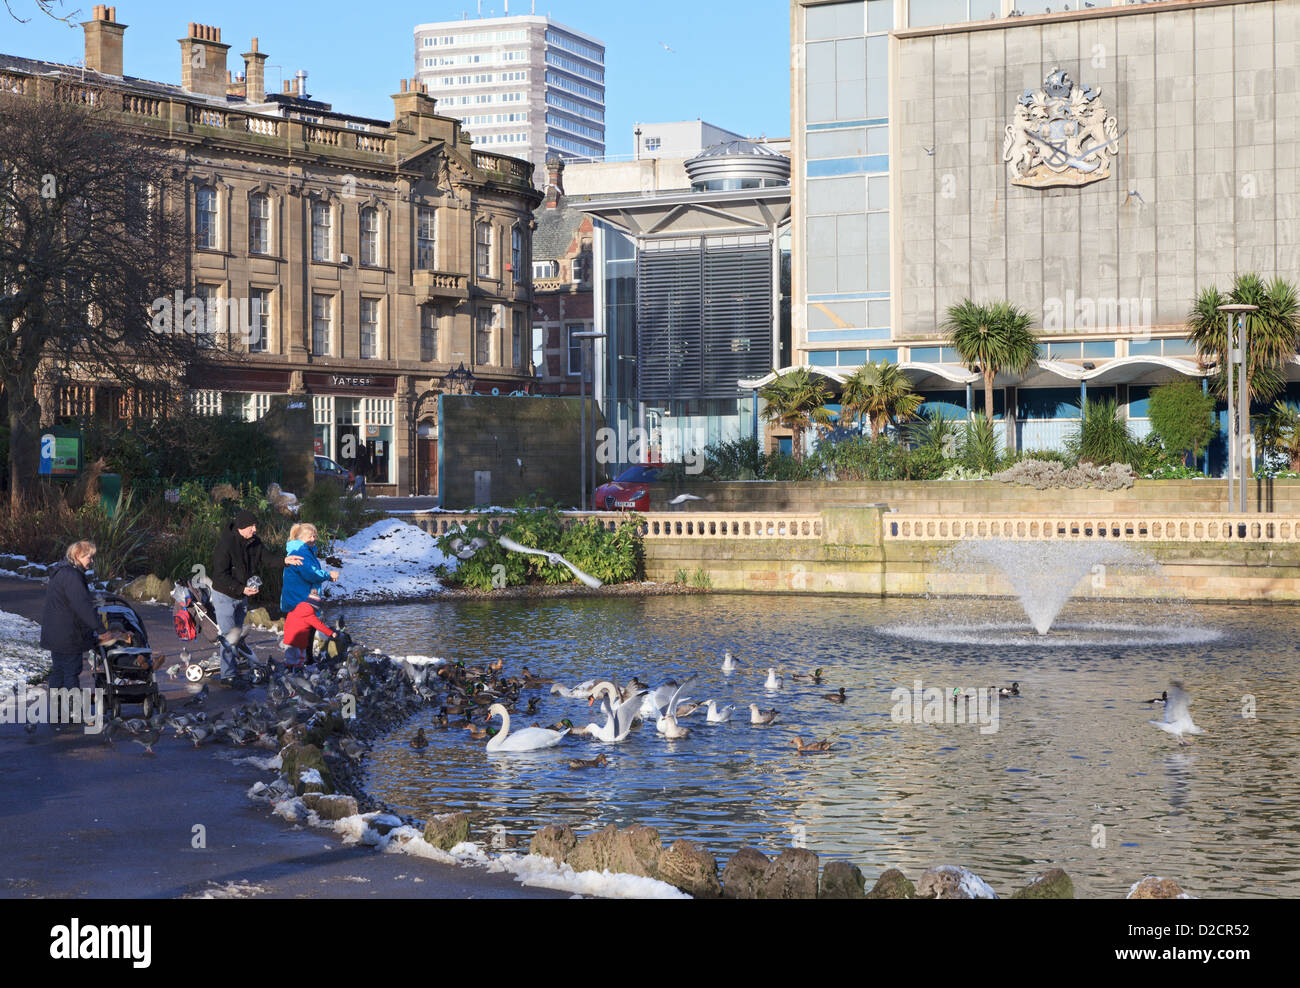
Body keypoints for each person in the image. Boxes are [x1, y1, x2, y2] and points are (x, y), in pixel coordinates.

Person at [210, 510, 302, 688]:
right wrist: (241, 588)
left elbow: (267, 559)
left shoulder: (254, 541)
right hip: (224, 595)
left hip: (242, 595)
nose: (255, 529)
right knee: (229, 637)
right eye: (251, 526)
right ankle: (227, 675)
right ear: (241, 527)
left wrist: (285, 560)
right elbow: (220, 576)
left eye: (255, 525)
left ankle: (232, 670)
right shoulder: (226, 544)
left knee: (237, 637)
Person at [40, 541, 120, 731]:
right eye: (88, 556)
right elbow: (83, 606)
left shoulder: (62, 572)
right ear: (77, 556)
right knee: (70, 673)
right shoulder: (72, 576)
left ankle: (58, 713)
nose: (91, 561)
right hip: (67, 633)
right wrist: (101, 629)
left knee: (59, 673)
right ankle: (75, 714)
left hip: (56, 632)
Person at [280, 522, 339, 659]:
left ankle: (303, 659)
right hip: (300, 598)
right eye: (310, 536)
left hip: (300, 597)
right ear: (301, 537)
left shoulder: (305, 551)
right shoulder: (301, 552)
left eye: (315, 536)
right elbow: (310, 573)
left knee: (305, 629)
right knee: (306, 629)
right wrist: (329, 575)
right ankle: (306, 660)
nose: (313, 539)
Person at [281, 589, 335, 672]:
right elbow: (319, 625)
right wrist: (331, 633)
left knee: (290, 657)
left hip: (288, 638)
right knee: (300, 658)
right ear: (315, 607)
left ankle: (288, 669)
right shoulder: (309, 614)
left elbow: (288, 621)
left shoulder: (296, 608)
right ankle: (298, 671)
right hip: (299, 641)